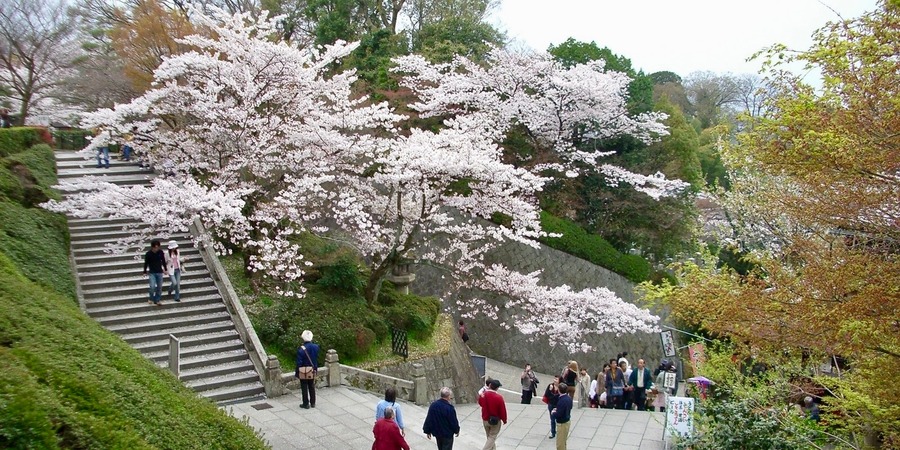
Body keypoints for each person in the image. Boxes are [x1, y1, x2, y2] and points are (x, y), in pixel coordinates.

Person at [478, 379, 507, 450]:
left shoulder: (484, 395)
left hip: (485, 418)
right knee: (492, 437)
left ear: (490, 385)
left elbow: (480, 403)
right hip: (495, 420)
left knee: (489, 437)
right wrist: (504, 419)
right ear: (497, 388)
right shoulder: (499, 398)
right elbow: (502, 410)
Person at [295, 330, 319, 409]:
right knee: (311, 385)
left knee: (304, 387)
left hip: (303, 370)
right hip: (312, 369)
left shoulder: (301, 349)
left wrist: (297, 372)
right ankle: (313, 402)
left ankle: (306, 403)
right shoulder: (316, 347)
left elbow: (299, 362)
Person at [142, 240, 167, 306]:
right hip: (152, 272)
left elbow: (163, 261)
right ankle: (151, 298)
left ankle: (157, 300)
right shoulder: (148, 254)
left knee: (159, 287)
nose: (156, 249)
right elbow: (146, 263)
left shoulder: (160, 252)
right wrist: (144, 271)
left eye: (157, 247)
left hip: (159, 271)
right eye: (155, 247)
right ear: (152, 247)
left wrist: (165, 269)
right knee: (152, 286)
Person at [552, 383, 573, 450]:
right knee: (563, 442)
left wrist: (554, 413)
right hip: (567, 421)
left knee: (560, 444)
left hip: (562, 424)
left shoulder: (562, 401)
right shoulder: (569, 398)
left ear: (559, 390)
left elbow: (559, 415)